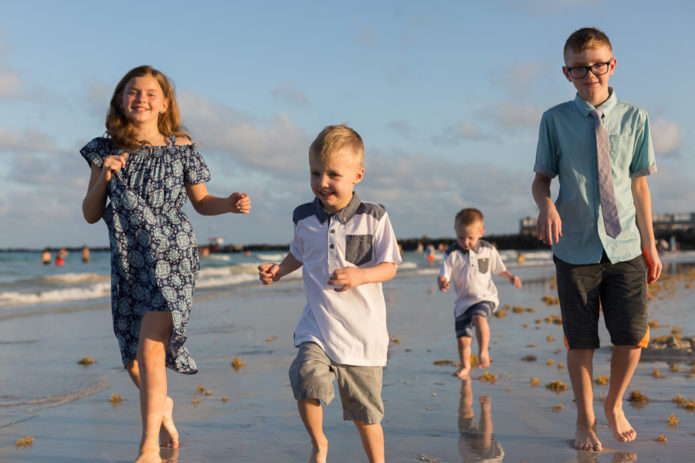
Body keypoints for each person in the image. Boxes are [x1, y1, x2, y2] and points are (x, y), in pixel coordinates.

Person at [81, 65, 251, 463]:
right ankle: (163, 408)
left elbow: (201, 202)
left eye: (150, 93)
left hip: (174, 255)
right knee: (133, 358)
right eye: (132, 92)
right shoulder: (103, 150)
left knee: (151, 347)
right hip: (129, 259)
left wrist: (229, 203)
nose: (141, 98)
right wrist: (104, 177)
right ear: (120, 100)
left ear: (165, 103)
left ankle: (147, 449)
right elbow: (90, 213)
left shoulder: (182, 148)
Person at [532, 28, 662, 451]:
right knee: (581, 341)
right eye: (579, 68)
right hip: (574, 248)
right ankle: (585, 420)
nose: (590, 74)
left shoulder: (636, 118)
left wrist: (651, 243)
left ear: (612, 65)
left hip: (625, 245)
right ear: (567, 72)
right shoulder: (554, 120)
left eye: (598, 65)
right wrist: (545, 205)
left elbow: (639, 186)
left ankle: (613, 403)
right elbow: (540, 180)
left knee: (633, 337)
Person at [258, 124, 401, 463]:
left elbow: (391, 266)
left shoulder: (374, 217)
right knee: (305, 377)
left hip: (362, 335)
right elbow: (299, 253)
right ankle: (319, 443)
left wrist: (360, 275)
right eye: (315, 173)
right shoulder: (303, 217)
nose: (322, 182)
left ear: (357, 175)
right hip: (318, 325)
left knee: (366, 414)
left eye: (333, 174)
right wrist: (279, 270)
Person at [437, 208, 521, 379]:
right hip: (462, 303)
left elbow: (499, 268)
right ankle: (465, 366)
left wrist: (510, 276)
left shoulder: (488, 250)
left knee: (479, 318)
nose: (465, 242)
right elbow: (443, 274)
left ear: (481, 233)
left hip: (485, 297)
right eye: (461, 237)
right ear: (455, 231)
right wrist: (442, 282)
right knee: (463, 340)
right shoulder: (450, 254)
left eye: (470, 238)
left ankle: (483, 352)